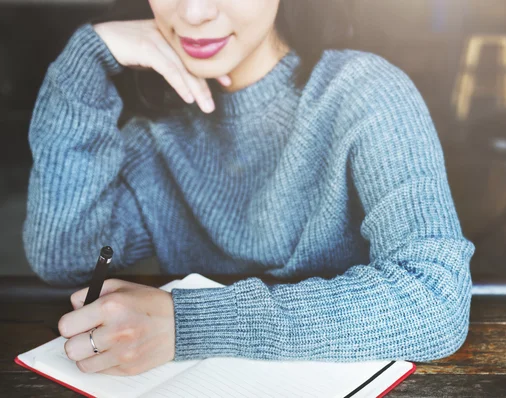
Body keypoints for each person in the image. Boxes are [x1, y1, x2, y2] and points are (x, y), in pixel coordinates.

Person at [23, 0, 475, 377]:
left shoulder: (365, 92)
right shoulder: (155, 136)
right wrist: (84, 63)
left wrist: (188, 325)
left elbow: (435, 300)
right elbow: (64, 257)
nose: (195, 12)